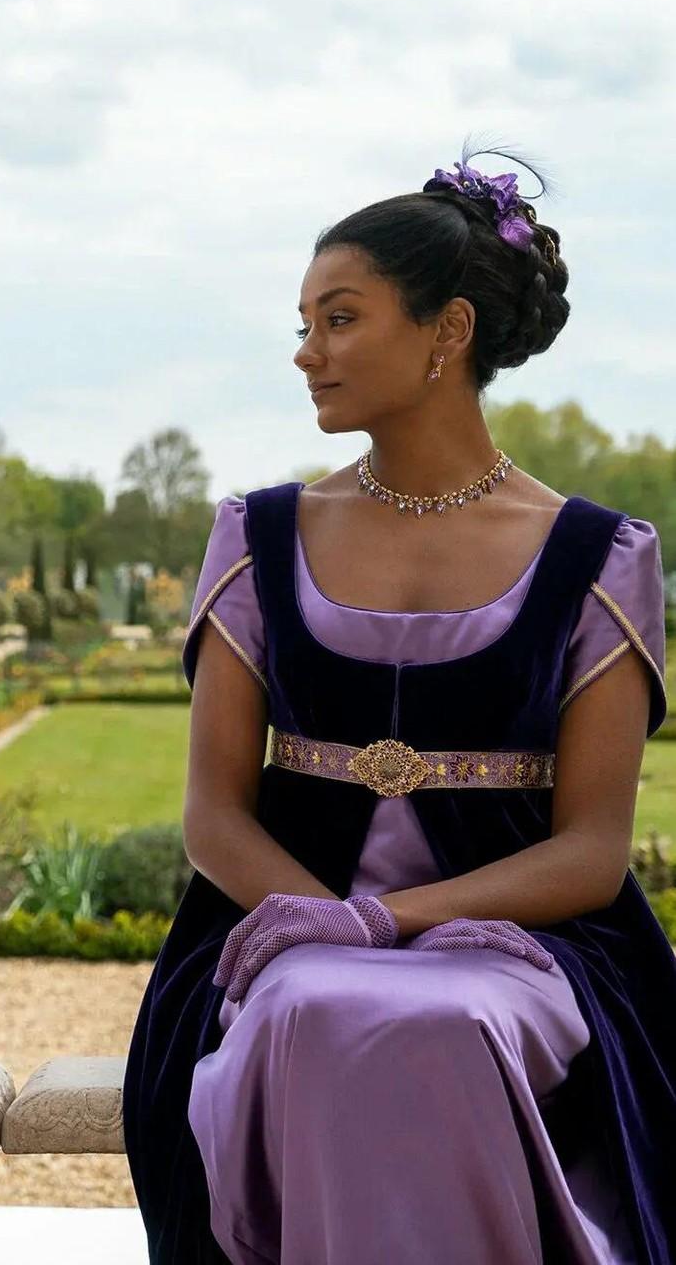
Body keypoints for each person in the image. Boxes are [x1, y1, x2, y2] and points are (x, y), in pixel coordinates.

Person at [123, 149, 676, 1264]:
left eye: (338, 319)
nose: (305, 352)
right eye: (303, 324)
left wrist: (389, 922)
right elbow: (213, 817)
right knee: (315, 1004)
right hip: (280, 930)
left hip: (527, 945)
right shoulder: (257, 537)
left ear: (447, 331)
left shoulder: (598, 557)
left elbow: (590, 851)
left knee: (448, 1017)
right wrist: (326, 920)